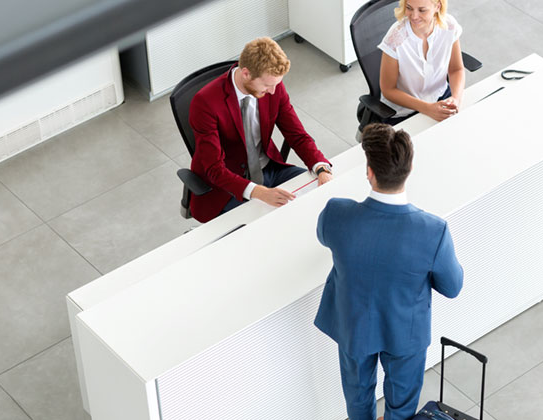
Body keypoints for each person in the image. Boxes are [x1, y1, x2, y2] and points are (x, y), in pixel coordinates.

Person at [314, 123, 464, 420]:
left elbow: (323, 237)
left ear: (369, 171)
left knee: (358, 398)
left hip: (354, 327)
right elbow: (453, 287)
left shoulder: (336, 213)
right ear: (408, 169)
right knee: (402, 404)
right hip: (405, 333)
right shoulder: (433, 230)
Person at [189, 37, 333, 223]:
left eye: (276, 84)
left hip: (269, 169)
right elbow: (214, 168)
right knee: (263, 228)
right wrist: (258, 192)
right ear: (246, 74)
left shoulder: (274, 86)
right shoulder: (205, 103)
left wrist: (320, 167)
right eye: (267, 86)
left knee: (319, 198)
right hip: (228, 186)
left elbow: (296, 134)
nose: (273, 91)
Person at [378, 0, 465, 125]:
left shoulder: (449, 26)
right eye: (409, 8)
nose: (414, 16)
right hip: (404, 111)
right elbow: (388, 89)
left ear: (437, 6)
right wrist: (428, 108)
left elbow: (456, 69)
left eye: (422, 10)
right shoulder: (395, 39)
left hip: (441, 97)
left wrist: (456, 98)